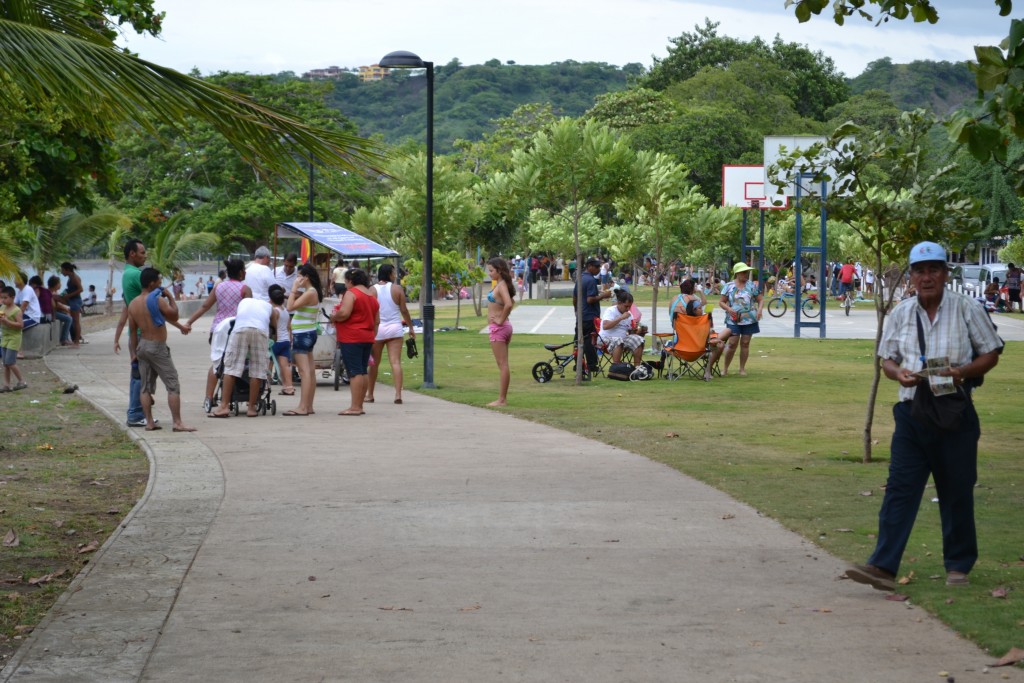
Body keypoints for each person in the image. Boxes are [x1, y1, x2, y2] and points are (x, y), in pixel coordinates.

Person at [845, 241, 1002, 592]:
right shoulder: (901, 312)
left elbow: (992, 351)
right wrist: (897, 372)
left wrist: (962, 371)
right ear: (911, 276)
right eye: (920, 271)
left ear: (946, 274)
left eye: (934, 270)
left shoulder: (966, 308)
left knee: (956, 489)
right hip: (911, 411)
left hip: (954, 412)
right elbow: (887, 358)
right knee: (900, 488)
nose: (927, 277)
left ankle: (959, 565)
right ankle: (882, 566)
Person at [126, 268, 195, 432]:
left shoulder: (133, 304)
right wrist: (170, 296)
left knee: (145, 387)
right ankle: (177, 423)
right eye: (158, 281)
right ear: (151, 284)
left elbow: (132, 332)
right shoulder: (156, 300)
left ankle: (149, 422)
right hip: (157, 346)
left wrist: (133, 354)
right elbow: (174, 315)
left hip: (142, 345)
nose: (160, 284)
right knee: (172, 384)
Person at [182, 259, 252, 412]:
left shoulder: (219, 287)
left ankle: (209, 397)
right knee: (234, 365)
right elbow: (248, 312)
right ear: (241, 272)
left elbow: (205, 306)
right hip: (236, 330)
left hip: (218, 330)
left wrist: (189, 322)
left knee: (217, 363)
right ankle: (233, 397)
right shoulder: (245, 289)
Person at [207, 290, 278, 420]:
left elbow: (237, 318)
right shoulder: (269, 307)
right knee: (257, 371)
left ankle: (224, 406)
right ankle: (251, 408)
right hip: (260, 331)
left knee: (231, 368)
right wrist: (275, 337)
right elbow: (274, 326)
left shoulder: (243, 302)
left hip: (240, 329)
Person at [330, 268, 379, 416]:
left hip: (352, 337)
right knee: (362, 370)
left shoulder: (351, 293)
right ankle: (359, 404)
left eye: (345, 281)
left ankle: (355, 407)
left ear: (351, 281)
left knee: (354, 371)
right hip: (367, 336)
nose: (345, 285)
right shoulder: (371, 296)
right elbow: (377, 320)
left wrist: (334, 316)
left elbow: (344, 313)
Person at [114, 239, 151, 427]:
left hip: (135, 332)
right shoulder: (136, 274)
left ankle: (137, 411)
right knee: (140, 375)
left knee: (138, 373)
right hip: (141, 332)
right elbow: (154, 296)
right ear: (132, 254)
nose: (145, 256)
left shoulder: (127, 274)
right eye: (142, 252)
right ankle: (136, 413)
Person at [365, 264, 414, 405]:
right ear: (389, 274)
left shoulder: (372, 290)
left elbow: (370, 312)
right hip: (395, 328)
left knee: (374, 364)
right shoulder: (397, 289)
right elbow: (404, 310)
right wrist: (410, 327)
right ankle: (398, 394)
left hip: (378, 329)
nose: (395, 275)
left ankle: (370, 394)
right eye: (393, 272)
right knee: (395, 362)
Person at [284, 263, 323, 416]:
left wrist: (294, 288)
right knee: (310, 371)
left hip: (303, 334)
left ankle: (302, 406)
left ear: (306, 277)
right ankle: (308, 405)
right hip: (309, 332)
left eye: (300, 276)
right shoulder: (312, 292)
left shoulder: (310, 292)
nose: (298, 278)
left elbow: (290, 307)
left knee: (304, 371)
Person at [711, 262, 763, 377]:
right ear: (737, 273)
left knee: (745, 343)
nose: (746, 274)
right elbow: (721, 302)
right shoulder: (729, 286)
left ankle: (742, 369)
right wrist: (729, 309)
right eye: (744, 272)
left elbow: (760, 299)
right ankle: (725, 369)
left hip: (749, 319)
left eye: (747, 272)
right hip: (733, 319)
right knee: (732, 343)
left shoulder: (752, 286)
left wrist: (759, 310)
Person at [572, 258, 612, 379]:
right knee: (590, 340)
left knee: (577, 341)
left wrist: (577, 311)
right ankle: (591, 364)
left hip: (582, 315)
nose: (599, 269)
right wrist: (603, 295)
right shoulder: (590, 280)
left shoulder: (580, 278)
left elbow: (574, 297)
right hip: (589, 316)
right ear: (589, 266)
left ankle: (578, 364)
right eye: (597, 267)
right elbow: (590, 299)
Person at [485, 257, 515, 406]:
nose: (489, 274)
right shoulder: (502, 285)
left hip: (499, 328)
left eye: (491, 271)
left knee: (502, 364)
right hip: (502, 327)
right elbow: (509, 302)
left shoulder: (501, 285)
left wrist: (500, 320)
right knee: (503, 364)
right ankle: (502, 398)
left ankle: (502, 399)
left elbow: (508, 304)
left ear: (499, 270)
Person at [599, 289, 646, 367]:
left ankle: (637, 368)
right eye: (626, 306)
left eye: (629, 307)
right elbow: (605, 326)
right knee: (619, 340)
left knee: (639, 340)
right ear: (619, 303)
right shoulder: (610, 311)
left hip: (623, 338)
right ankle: (616, 368)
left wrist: (638, 331)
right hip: (606, 338)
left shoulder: (629, 314)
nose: (628, 309)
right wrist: (620, 318)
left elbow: (630, 332)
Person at [268, 284, 295, 397]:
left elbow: (273, 326)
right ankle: (288, 387)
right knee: (285, 366)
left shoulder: (274, 311)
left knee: (268, 363)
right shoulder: (285, 311)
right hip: (285, 341)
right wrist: (290, 340)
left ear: (271, 299)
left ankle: (266, 385)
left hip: (276, 341)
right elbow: (289, 327)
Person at [0, 286, 27, 392]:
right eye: (2, 298)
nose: (3, 300)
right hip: (5, 337)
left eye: (6, 298)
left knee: (10, 362)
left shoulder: (17, 310)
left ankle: (22, 381)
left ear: (12, 297)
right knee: (5, 363)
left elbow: (21, 325)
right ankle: (6, 385)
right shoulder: (2, 308)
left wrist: (7, 322)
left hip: (14, 337)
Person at [60, 262, 84, 344]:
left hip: (75, 301)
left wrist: (68, 295)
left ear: (67, 270)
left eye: (62, 270)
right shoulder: (71, 277)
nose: (61, 272)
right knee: (55, 298)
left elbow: (81, 289)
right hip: (72, 300)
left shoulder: (74, 278)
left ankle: (77, 341)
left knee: (76, 321)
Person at [47, 276, 74, 346]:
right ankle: (64, 339)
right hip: (51, 313)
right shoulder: (50, 293)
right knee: (69, 319)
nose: (60, 285)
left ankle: (68, 338)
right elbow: (56, 305)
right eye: (59, 283)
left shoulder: (53, 292)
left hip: (54, 311)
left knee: (68, 315)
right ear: (55, 284)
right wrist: (66, 309)